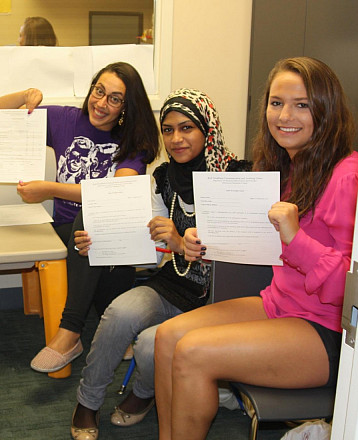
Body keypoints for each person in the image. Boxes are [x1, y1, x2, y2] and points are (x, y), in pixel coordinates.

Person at [154, 57, 358, 440]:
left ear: (326, 110)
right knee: (167, 338)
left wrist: (295, 238)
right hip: (279, 304)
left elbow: (352, 289)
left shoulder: (348, 176)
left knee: (193, 353)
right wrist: (205, 237)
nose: (285, 115)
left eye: (302, 104)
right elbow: (258, 242)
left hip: (327, 329)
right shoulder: (285, 166)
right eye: (276, 102)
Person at [68, 89, 250, 440]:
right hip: (174, 284)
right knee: (119, 312)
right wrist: (98, 244)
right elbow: (148, 247)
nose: (176, 139)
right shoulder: (164, 178)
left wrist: (181, 244)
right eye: (168, 130)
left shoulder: (237, 178)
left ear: (207, 130)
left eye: (187, 128)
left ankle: (142, 393)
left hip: (218, 299)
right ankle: (87, 402)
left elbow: (249, 258)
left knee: (151, 343)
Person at [0, 62, 160, 373]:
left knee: (95, 215)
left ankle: (76, 329)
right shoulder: (65, 119)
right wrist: (25, 95)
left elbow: (113, 192)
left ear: (126, 107)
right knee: (85, 230)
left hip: (111, 230)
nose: (101, 103)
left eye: (114, 99)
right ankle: (92, 330)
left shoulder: (135, 141)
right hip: (66, 228)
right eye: (99, 91)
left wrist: (48, 189)